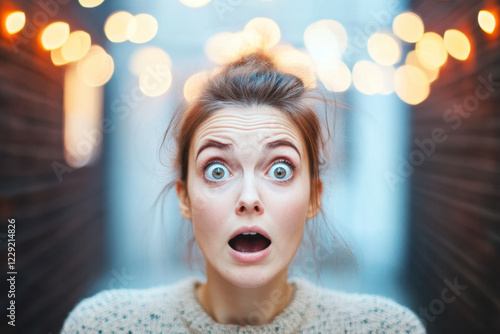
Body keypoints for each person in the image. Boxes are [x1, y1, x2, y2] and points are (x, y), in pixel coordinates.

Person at [61, 52, 426, 333]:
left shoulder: (385, 328)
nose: (248, 198)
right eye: (217, 170)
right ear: (184, 197)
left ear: (314, 197)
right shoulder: (104, 326)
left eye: (280, 170)